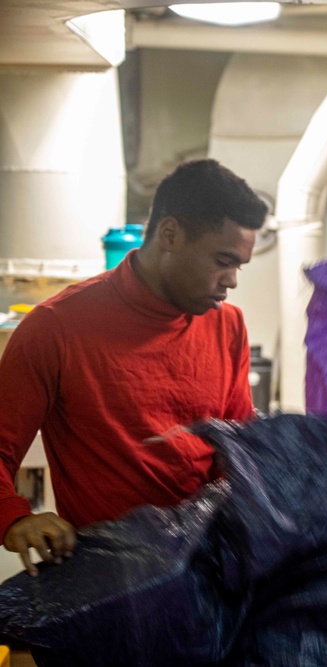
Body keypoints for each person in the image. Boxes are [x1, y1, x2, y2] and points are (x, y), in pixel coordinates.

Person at [0, 159, 267, 576]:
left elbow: (236, 458)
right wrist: (15, 518)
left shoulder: (228, 327)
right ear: (170, 235)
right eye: (222, 260)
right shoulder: (56, 328)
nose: (231, 280)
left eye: (238, 266)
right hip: (103, 586)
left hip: (204, 577)